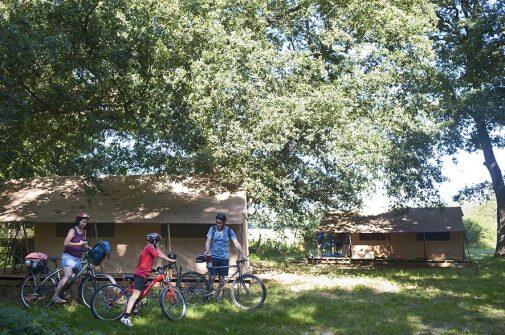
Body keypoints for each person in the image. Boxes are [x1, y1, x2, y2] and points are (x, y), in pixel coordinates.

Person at [120, 232, 176, 327]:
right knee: (135, 295)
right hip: (140, 275)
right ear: (154, 241)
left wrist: (154, 269)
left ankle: (135, 311)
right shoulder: (149, 247)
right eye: (158, 242)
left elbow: (147, 260)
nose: (158, 244)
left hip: (143, 274)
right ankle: (125, 317)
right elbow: (159, 255)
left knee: (142, 294)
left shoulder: (149, 247)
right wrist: (170, 260)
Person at [52, 211, 91, 304]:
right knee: (68, 276)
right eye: (83, 222)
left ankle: (74, 301)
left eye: (86, 222)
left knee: (77, 280)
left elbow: (84, 244)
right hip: (68, 257)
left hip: (77, 258)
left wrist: (91, 248)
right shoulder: (73, 230)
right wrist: (78, 244)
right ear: (78, 221)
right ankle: (55, 296)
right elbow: (66, 243)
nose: (84, 224)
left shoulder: (84, 232)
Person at [205, 213, 247, 291]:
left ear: (224, 222)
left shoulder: (229, 231)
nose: (218, 224)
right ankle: (208, 293)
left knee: (222, 278)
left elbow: (236, 243)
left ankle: (219, 296)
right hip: (213, 257)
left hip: (224, 258)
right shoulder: (212, 229)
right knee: (212, 277)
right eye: (217, 222)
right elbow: (208, 241)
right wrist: (207, 251)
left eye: (220, 223)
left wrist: (243, 254)